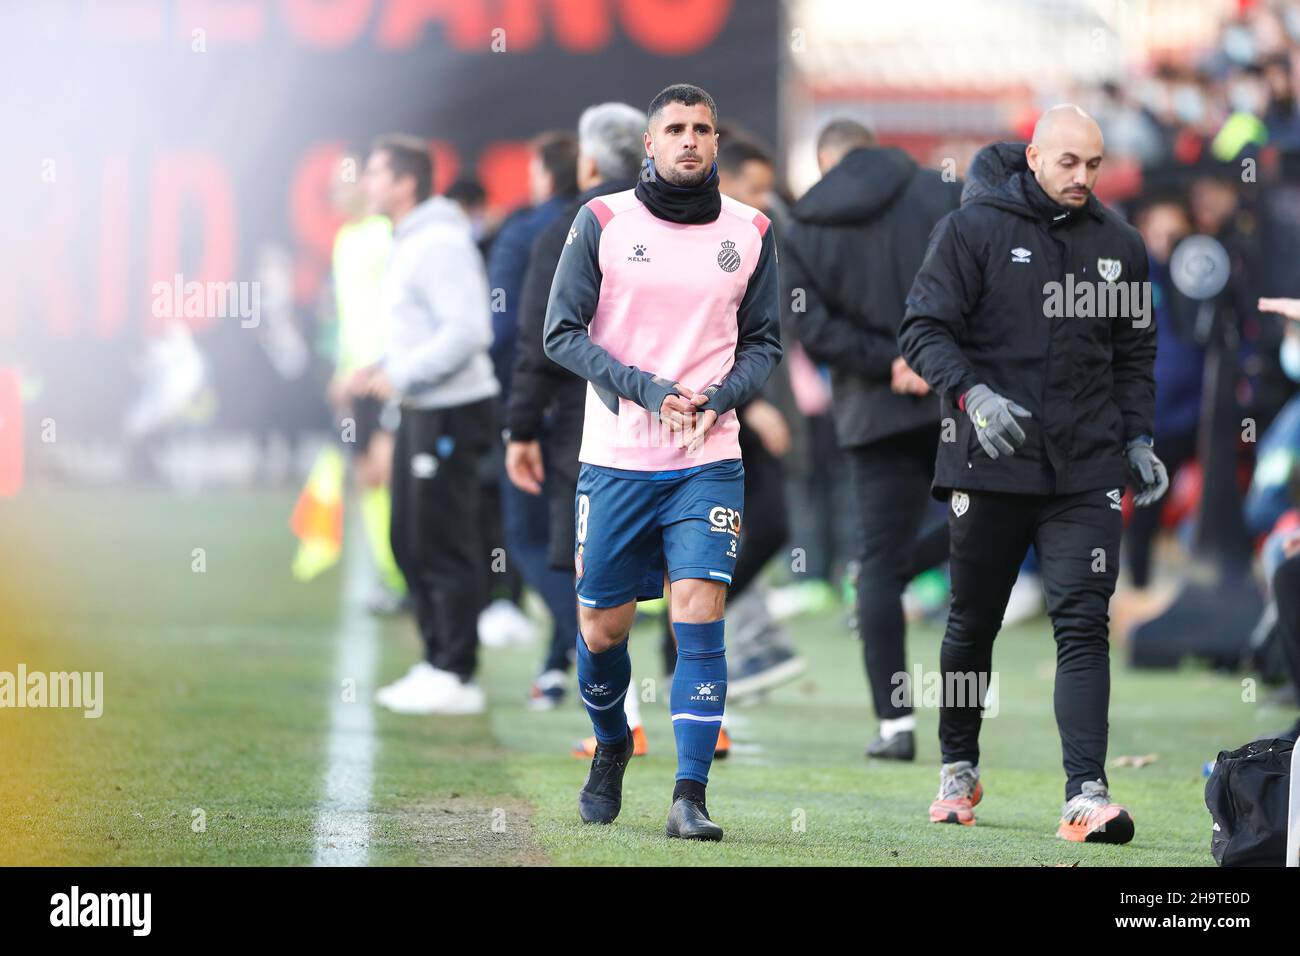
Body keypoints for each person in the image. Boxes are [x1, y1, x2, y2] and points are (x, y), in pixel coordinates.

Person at [898, 105, 1167, 843]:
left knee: (1083, 623)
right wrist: (972, 394)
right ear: (1034, 157)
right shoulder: (972, 228)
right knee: (972, 620)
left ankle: (1086, 791)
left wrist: (1138, 438)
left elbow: (1135, 353)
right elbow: (922, 329)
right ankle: (957, 762)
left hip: (1086, 468)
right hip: (988, 464)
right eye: (1068, 163)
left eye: (1093, 164)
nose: (1082, 177)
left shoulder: (1120, 244)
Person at [543, 84, 781, 840]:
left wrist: (718, 397)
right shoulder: (603, 221)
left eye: (701, 129)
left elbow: (766, 342)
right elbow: (560, 333)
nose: (688, 140)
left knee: (698, 615)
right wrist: (645, 389)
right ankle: (612, 744)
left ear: (716, 142)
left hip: (708, 458)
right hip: (616, 460)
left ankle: (690, 795)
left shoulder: (751, 230)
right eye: (674, 129)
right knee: (602, 628)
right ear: (649, 143)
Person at [785, 119, 961, 760]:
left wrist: (886, 362)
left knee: (878, 563)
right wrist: (927, 356)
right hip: (955, 396)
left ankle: (895, 725)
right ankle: (961, 741)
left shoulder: (802, 224)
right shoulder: (942, 192)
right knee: (987, 526)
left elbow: (808, 323)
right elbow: (979, 287)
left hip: (871, 412)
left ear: (826, 159)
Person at [505, 103, 646, 711]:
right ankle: (703, 721)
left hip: (587, 424)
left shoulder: (569, 225)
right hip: (684, 421)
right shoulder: (677, 220)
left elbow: (543, 337)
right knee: (679, 581)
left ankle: (619, 717)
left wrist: (521, 425)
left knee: (592, 574)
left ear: (587, 160)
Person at [355, 134, 500, 715]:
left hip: (450, 409)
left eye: (375, 173)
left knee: (443, 540)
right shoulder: (412, 239)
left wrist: (404, 372)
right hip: (423, 404)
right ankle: (437, 657)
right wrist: (389, 368)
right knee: (408, 540)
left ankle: (457, 671)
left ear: (406, 182)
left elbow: (470, 331)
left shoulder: (438, 241)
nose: (366, 184)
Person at [324, 155, 405, 613]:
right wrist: (341, 369)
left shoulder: (386, 234)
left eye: (345, 183)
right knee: (367, 478)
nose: (337, 194)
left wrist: (383, 363)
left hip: (386, 375)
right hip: (353, 377)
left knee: (391, 470)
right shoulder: (342, 240)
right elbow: (347, 315)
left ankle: (411, 572)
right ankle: (392, 575)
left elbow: (398, 308)